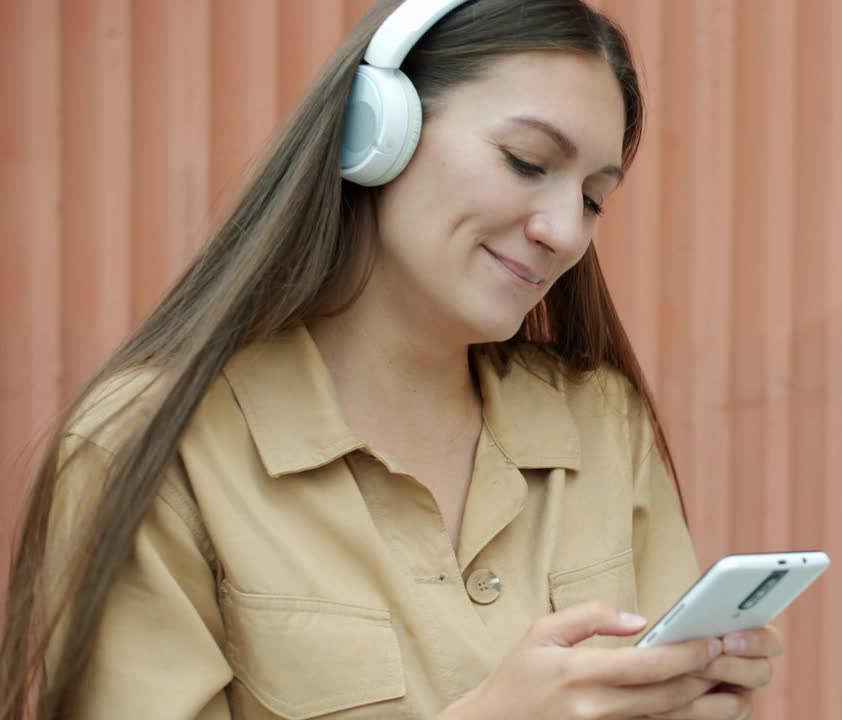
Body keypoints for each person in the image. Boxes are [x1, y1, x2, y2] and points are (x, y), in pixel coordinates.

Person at [0, 1, 785, 718]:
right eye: (525, 160)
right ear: (378, 130)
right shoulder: (153, 448)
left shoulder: (601, 422)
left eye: (592, 197)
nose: (566, 232)